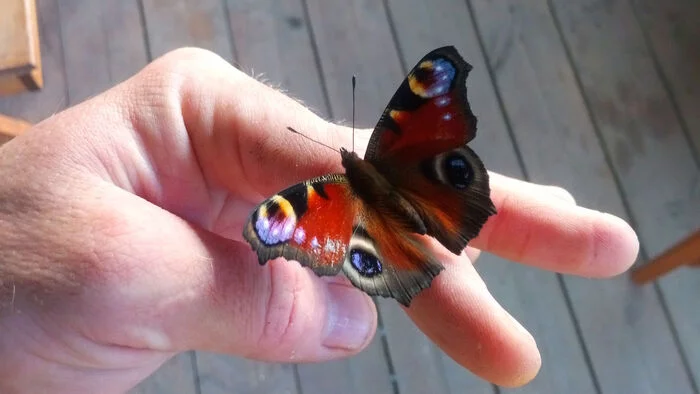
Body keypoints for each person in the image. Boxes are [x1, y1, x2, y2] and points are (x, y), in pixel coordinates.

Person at [0, 48, 639, 393]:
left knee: (375, 243)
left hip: (377, 225)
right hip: (425, 191)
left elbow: (289, 221)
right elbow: (284, 221)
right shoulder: (367, 161)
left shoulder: (323, 198)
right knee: (429, 197)